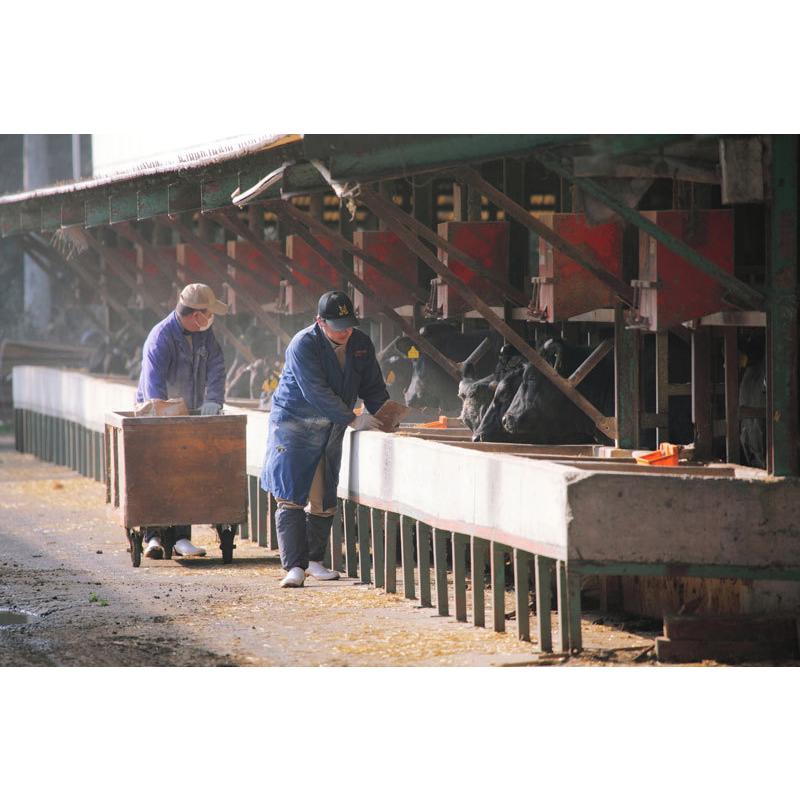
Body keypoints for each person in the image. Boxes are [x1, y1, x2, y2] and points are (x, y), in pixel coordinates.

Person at [261, 290, 390, 588]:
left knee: (323, 494)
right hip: (294, 424)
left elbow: (372, 385)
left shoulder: (360, 343)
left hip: (332, 425)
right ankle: (294, 566)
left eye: (349, 324)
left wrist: (385, 416)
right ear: (320, 321)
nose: (345, 331)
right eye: (337, 325)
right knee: (290, 495)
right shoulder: (303, 345)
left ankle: (314, 560)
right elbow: (314, 391)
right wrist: (352, 418)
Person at [135, 283, 228, 559]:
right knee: (157, 470)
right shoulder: (160, 337)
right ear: (195, 314)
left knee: (185, 470)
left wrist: (213, 399)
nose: (211, 319)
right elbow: (154, 388)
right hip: (156, 413)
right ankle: (153, 537)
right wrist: (164, 418)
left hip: (190, 411)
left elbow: (217, 366)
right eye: (207, 313)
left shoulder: (204, 333)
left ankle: (181, 537)